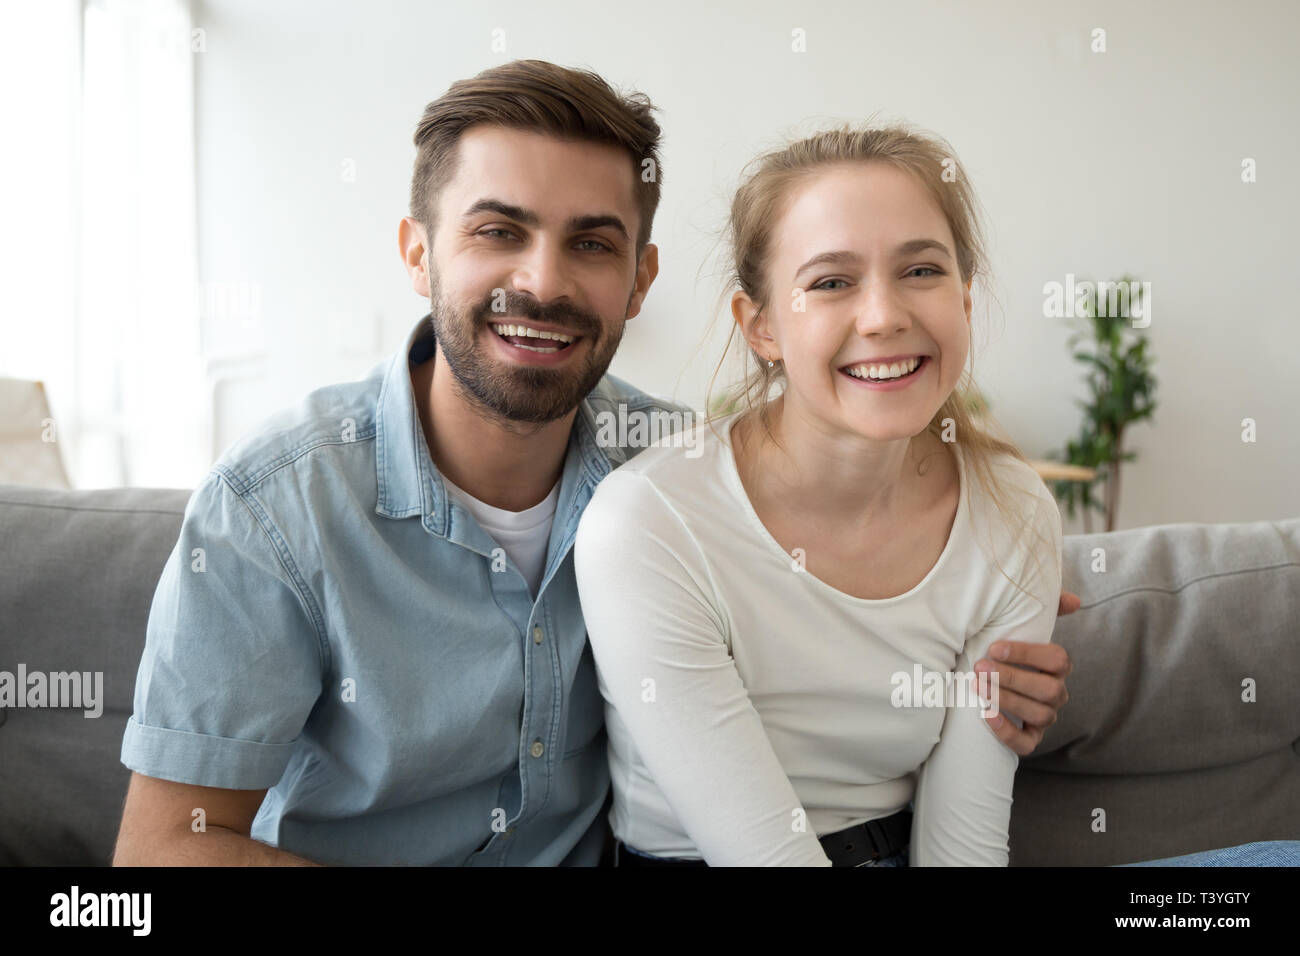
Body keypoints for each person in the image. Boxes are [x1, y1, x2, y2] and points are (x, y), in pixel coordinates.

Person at [111, 62, 1075, 867]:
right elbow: (162, 855)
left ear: (641, 279)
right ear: (418, 251)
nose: (542, 280)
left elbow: (818, 550)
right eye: (498, 231)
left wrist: (983, 622)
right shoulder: (276, 507)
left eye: (592, 243)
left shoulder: (675, 472)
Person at [574, 122, 1072, 866]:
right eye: (832, 282)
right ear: (763, 325)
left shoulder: (1015, 511)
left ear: (965, 300)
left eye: (923, 271)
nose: (884, 316)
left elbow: (962, 845)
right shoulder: (648, 521)